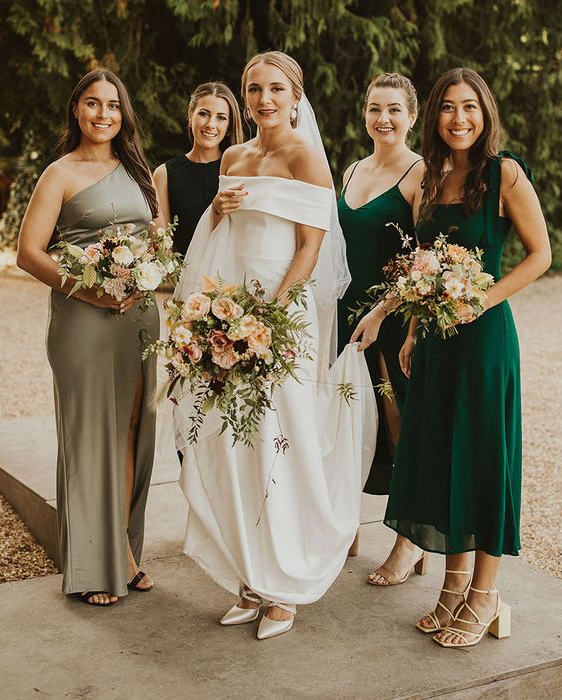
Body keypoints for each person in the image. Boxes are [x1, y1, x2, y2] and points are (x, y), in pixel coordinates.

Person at [174, 51, 375, 640]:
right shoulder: (234, 157)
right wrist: (216, 209)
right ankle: (251, 575)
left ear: (295, 97)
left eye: (276, 90)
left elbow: (312, 247)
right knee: (231, 443)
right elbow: (221, 231)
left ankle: (285, 584)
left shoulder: (306, 157)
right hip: (230, 311)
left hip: (280, 318)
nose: (265, 100)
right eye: (255, 89)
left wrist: (272, 313)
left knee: (277, 443)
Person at [352, 67, 551, 647]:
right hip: (435, 341)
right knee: (442, 456)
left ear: (484, 113)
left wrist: (481, 300)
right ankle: (451, 585)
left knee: (484, 458)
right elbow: (423, 268)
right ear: (434, 116)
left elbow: (540, 255)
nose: (459, 118)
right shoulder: (431, 178)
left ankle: (485, 596)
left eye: (470, 107)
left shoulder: (504, 173)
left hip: (485, 340)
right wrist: (413, 330)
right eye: (448, 108)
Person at [16, 69, 162, 605]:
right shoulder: (59, 173)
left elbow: (154, 239)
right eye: (93, 104)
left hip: (138, 315)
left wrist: (146, 273)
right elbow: (29, 252)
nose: (104, 114)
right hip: (83, 319)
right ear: (76, 109)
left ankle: (122, 552)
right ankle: (93, 566)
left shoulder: (136, 168)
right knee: (89, 437)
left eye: (114, 105)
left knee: (130, 434)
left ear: (124, 114)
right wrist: (88, 289)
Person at [338, 72, 428, 585]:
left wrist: (385, 313)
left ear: (412, 117)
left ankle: (408, 542)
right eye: (375, 108)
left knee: (398, 427)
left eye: (394, 109)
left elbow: (425, 257)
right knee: (346, 421)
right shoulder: (353, 168)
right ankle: (342, 522)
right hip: (345, 316)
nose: (384, 119)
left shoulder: (420, 174)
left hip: (391, 321)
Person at [152, 82, 243, 255]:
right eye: (203, 114)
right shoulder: (164, 174)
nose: (211, 124)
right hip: (185, 277)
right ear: (190, 115)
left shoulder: (239, 170)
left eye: (221, 117)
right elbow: (163, 246)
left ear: (230, 125)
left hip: (233, 278)